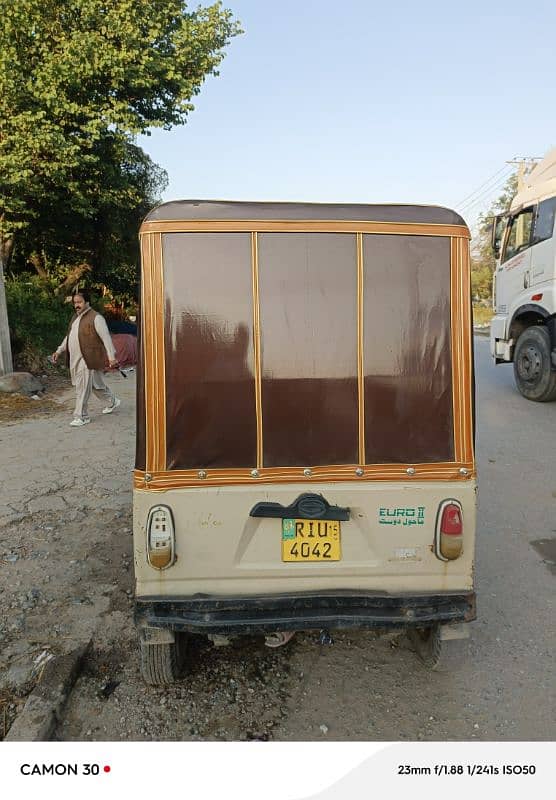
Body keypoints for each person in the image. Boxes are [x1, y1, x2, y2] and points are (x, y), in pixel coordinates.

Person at [51, 290, 121, 427]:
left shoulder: (96, 318)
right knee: (96, 386)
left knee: (82, 387)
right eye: (75, 302)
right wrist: (59, 350)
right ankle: (112, 401)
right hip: (75, 359)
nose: (77, 305)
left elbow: (106, 338)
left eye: (79, 302)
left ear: (87, 302)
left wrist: (112, 357)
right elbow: (69, 337)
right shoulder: (75, 318)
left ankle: (81, 416)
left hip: (88, 359)